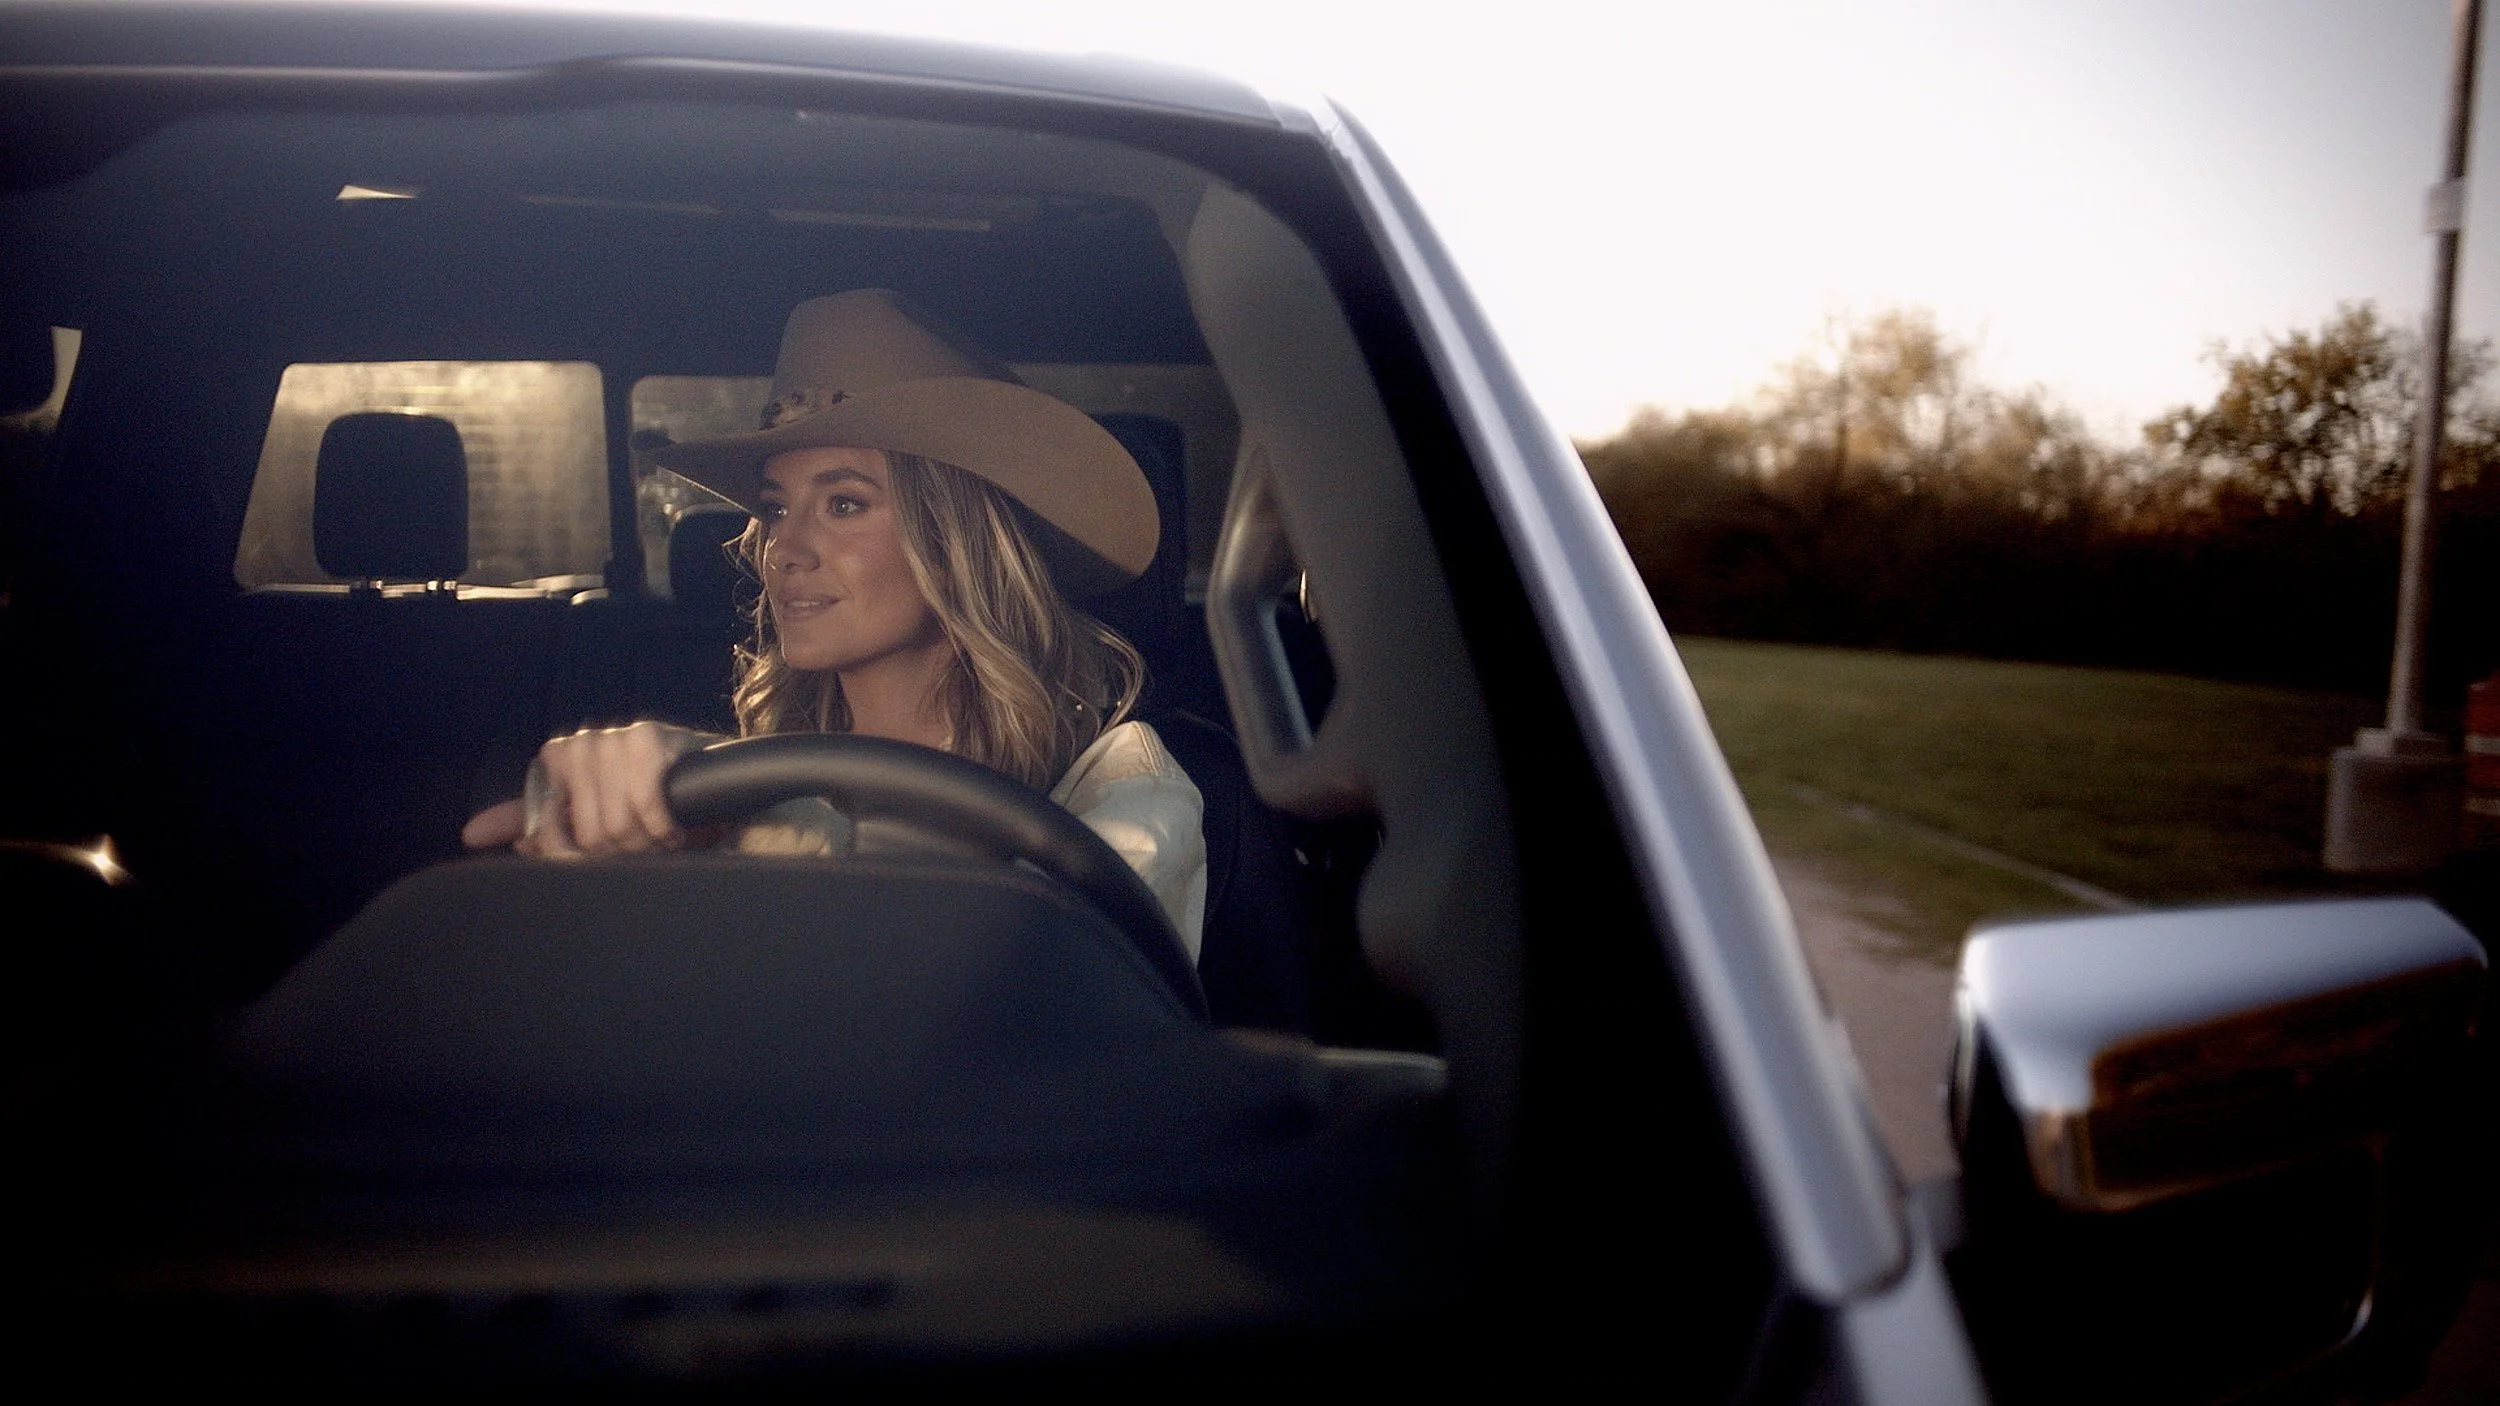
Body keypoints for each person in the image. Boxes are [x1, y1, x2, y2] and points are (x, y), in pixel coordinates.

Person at [463, 289, 1208, 959]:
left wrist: (754, 827)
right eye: (775, 508)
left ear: (956, 545)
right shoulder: (729, 792)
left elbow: (1022, 1006)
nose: (784, 547)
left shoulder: (1113, 794)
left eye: (844, 504)